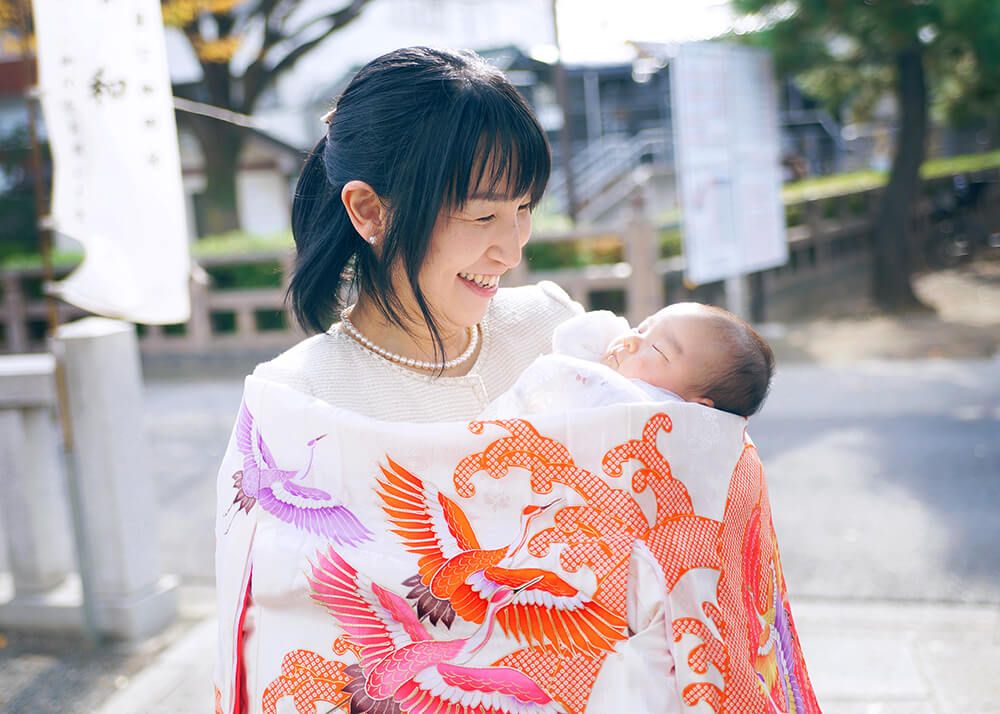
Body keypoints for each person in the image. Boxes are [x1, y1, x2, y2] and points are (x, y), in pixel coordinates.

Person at [215, 46, 820, 714]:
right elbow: (283, 653)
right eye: (481, 216)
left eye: (524, 208)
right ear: (368, 211)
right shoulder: (295, 407)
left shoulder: (560, 331)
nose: (512, 248)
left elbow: (698, 459)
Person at [482, 303, 774, 419]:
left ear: (698, 408)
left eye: (658, 349)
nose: (632, 340)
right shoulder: (604, 362)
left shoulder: (653, 414)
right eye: (642, 327)